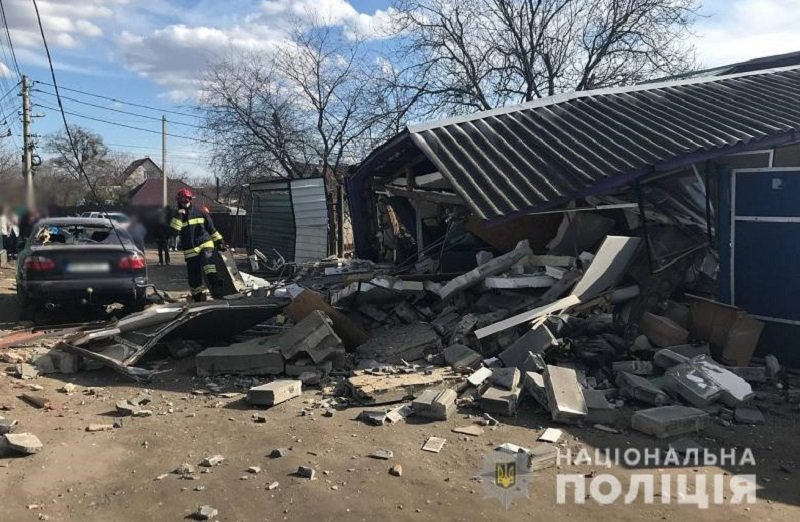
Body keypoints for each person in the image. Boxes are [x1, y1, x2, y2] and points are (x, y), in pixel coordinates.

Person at [170, 188, 226, 301]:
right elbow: (173, 232)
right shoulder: (176, 215)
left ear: (191, 200)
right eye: (182, 200)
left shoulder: (201, 212)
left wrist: (220, 241)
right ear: (178, 201)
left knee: (208, 262)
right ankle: (198, 296)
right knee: (194, 275)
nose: (185, 202)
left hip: (205, 243)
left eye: (187, 199)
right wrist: (179, 216)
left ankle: (217, 290)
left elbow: (211, 229)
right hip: (190, 249)